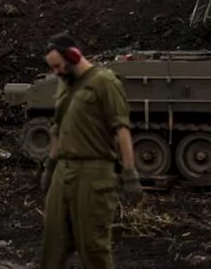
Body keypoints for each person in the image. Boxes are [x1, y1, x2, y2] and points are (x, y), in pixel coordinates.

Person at [38, 32, 144, 269]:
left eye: (57, 66)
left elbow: (122, 129)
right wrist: (50, 167)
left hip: (94, 173)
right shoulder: (65, 85)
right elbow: (58, 128)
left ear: (73, 56)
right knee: (52, 243)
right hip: (63, 172)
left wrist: (129, 173)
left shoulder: (104, 82)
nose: (56, 72)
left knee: (93, 247)